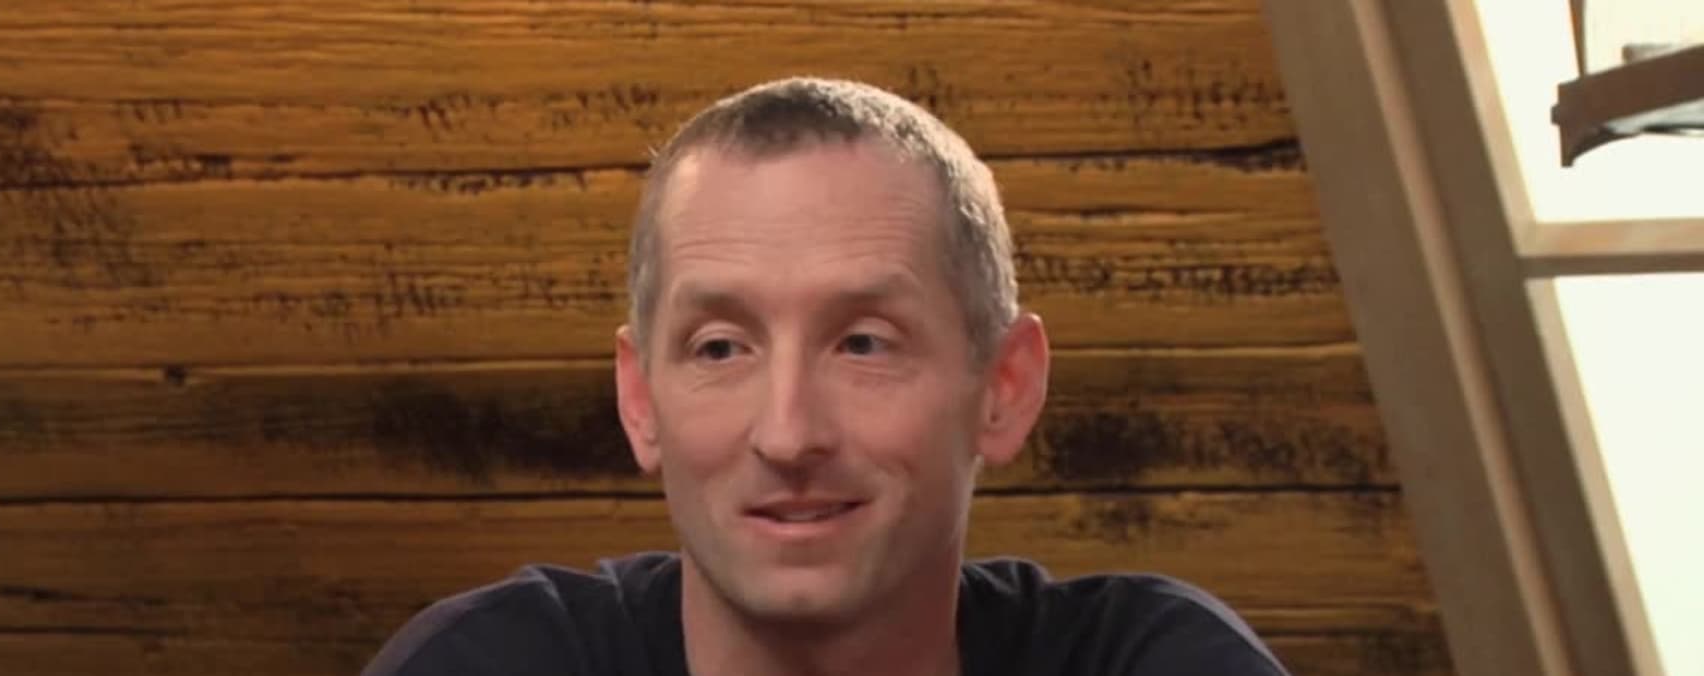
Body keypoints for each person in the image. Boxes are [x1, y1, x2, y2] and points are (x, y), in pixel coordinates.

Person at [361, 77, 1289, 676]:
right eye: (720, 349)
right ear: (639, 399)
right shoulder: (489, 662)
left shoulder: (1153, 660)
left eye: (864, 345)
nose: (789, 434)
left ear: (1005, 387)